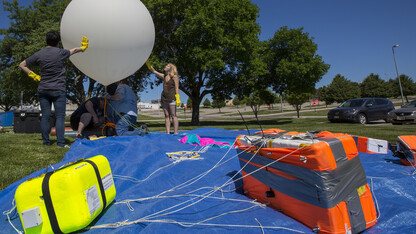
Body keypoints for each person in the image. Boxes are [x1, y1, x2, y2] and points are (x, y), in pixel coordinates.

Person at [19, 30, 88, 147]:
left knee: (45, 116)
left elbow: (22, 65)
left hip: (43, 89)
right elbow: (74, 50)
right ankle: (60, 143)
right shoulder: (61, 52)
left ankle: (46, 142)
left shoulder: (39, 54)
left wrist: (34, 75)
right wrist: (83, 47)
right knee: (60, 116)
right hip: (58, 89)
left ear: (46, 40)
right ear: (58, 42)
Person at [146, 60, 180, 134]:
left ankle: (175, 132)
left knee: (173, 115)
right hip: (164, 98)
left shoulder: (174, 77)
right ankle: (167, 132)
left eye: (167, 66)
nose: (165, 66)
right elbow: (154, 72)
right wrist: (148, 64)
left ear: (171, 68)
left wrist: (178, 98)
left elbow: (177, 87)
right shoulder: (164, 76)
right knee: (166, 115)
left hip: (172, 98)